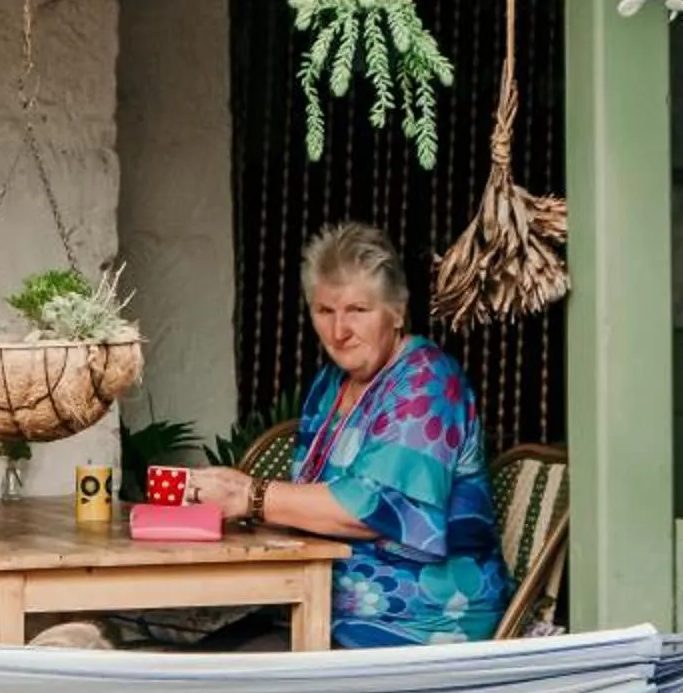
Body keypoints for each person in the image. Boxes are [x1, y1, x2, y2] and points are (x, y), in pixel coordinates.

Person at [191, 219, 511, 650]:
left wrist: (250, 496)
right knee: (196, 664)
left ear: (397, 310)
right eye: (325, 311)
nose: (339, 332)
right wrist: (231, 500)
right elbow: (309, 503)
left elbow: (371, 508)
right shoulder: (329, 386)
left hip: (415, 620)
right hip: (319, 604)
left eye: (358, 310)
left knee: (217, 677)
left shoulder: (428, 381)